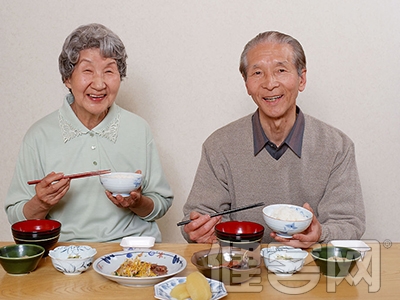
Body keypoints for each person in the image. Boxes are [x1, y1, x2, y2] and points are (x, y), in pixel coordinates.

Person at [181, 31, 365, 249]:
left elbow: (349, 223)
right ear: (246, 83)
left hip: (310, 270)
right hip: (240, 266)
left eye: (281, 70)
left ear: (301, 79)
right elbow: (198, 217)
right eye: (257, 72)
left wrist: (321, 233)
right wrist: (199, 229)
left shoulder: (337, 146)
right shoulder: (219, 145)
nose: (270, 83)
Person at [5, 23, 173, 243]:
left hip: (132, 248)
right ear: (67, 78)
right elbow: (17, 218)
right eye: (87, 70)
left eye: (109, 71)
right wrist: (41, 203)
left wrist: (136, 202)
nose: (99, 83)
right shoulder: (39, 135)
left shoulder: (138, 129)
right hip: (67, 254)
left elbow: (161, 203)